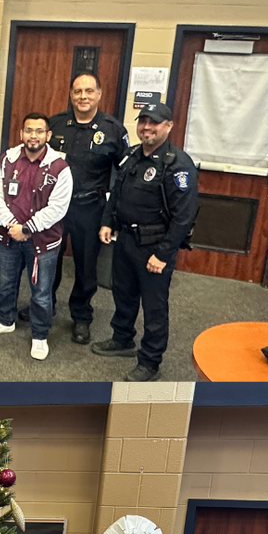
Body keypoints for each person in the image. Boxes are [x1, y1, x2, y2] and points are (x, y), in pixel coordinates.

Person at [93, 102, 198, 382]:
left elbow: (184, 217)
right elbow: (116, 193)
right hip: (125, 239)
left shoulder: (177, 165)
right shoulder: (131, 156)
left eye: (154, 122)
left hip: (155, 247)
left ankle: (150, 361)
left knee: (154, 306)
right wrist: (108, 221)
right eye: (143, 122)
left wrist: (163, 254)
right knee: (123, 294)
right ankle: (122, 338)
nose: (147, 127)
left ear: (169, 125)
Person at [33, 73, 129, 343]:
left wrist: (111, 217)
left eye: (89, 91)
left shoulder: (113, 129)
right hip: (53, 208)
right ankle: (44, 306)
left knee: (86, 266)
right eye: (77, 91)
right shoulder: (55, 124)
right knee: (48, 258)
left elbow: (123, 175)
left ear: (99, 93)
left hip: (90, 206)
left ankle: (81, 317)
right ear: (71, 94)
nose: (83, 96)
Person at [0, 112, 72, 360]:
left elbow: (57, 208)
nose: (34, 135)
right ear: (21, 134)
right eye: (29, 130)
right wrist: (13, 225)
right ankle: (5, 320)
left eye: (39, 131)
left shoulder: (60, 167)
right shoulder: (6, 160)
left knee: (41, 292)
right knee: (6, 283)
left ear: (48, 135)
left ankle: (40, 335)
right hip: (8, 236)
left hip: (42, 242)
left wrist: (27, 228)